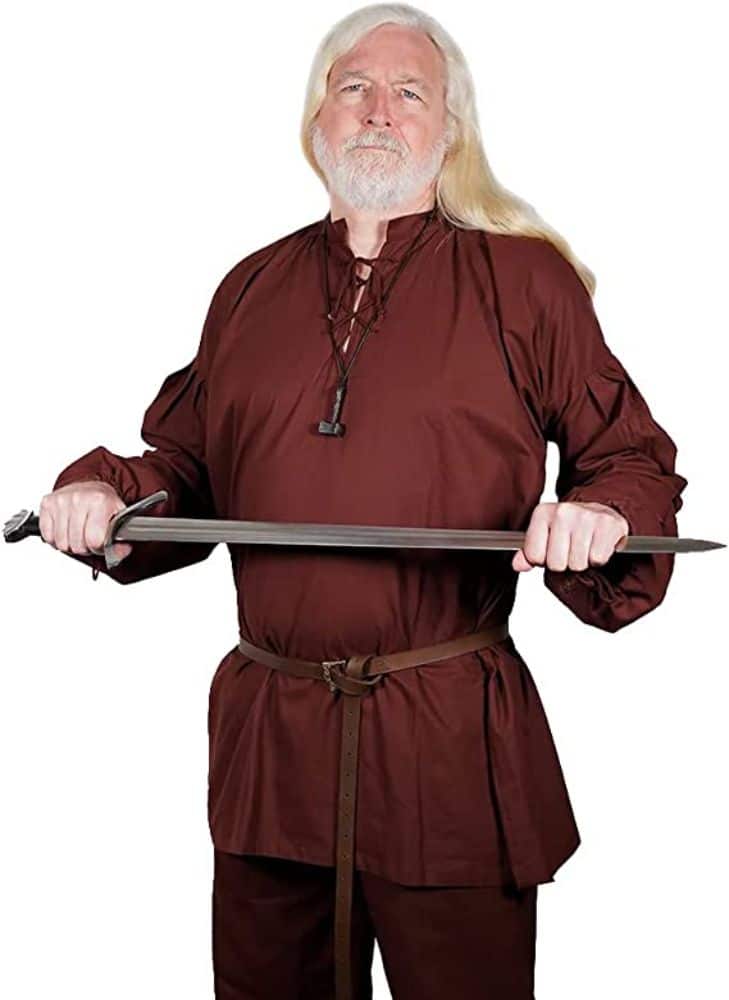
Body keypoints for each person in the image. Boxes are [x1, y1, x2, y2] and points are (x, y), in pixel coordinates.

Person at [42, 5, 688, 999]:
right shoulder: (249, 289)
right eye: (353, 87)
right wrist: (105, 495)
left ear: (449, 129)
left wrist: (598, 514)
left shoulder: (525, 282)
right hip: (273, 745)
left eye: (409, 91)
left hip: (445, 745)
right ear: (316, 121)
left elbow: (628, 458)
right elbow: (186, 465)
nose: (379, 109)